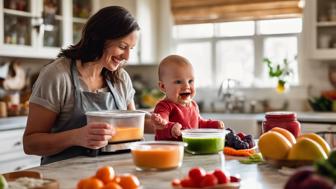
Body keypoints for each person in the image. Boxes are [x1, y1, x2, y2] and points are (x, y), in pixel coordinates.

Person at [23, 6, 141, 165]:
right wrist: (76, 137)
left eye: (131, 49)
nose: (127, 56)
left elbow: (132, 129)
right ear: (99, 38)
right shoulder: (57, 76)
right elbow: (30, 144)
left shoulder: (120, 78)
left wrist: (164, 123)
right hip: (64, 177)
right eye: (122, 46)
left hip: (112, 176)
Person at [152, 55, 225, 141]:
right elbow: (161, 126)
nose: (187, 86)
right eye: (178, 82)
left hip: (190, 149)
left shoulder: (193, 105)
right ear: (163, 86)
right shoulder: (164, 106)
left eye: (190, 81)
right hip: (171, 151)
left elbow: (199, 123)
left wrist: (213, 125)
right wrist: (170, 128)